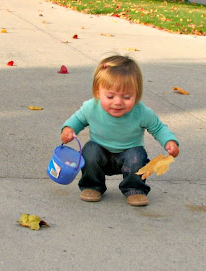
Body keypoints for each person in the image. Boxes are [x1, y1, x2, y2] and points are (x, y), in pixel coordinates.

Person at [60, 55, 180, 207]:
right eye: (110, 96)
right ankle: (92, 185)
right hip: (100, 152)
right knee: (89, 151)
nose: (118, 102)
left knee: (137, 155)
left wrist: (169, 141)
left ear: (137, 94)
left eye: (127, 97)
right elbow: (77, 120)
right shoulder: (91, 107)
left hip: (129, 154)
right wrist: (68, 130)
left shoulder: (141, 112)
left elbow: (158, 128)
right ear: (98, 92)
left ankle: (135, 188)